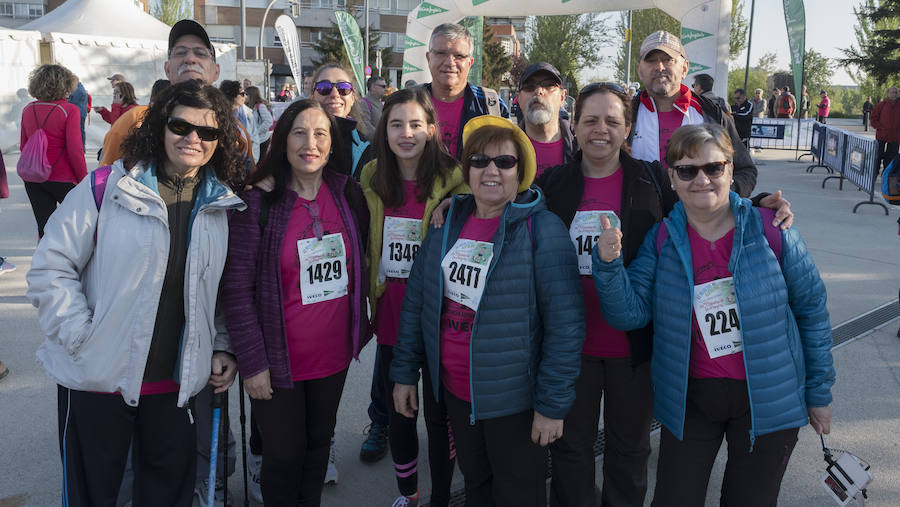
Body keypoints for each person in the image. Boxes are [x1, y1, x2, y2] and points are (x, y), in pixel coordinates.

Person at [26, 79, 246, 507]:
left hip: (174, 387)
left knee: (167, 495)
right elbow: (51, 266)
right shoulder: (106, 188)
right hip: (98, 381)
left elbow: (215, 289)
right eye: (181, 126)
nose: (193, 139)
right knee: (95, 495)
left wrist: (221, 345)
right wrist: (81, 338)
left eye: (208, 132)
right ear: (161, 125)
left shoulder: (220, 206)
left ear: (220, 140)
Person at [592, 123, 835, 507]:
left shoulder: (772, 229)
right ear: (672, 178)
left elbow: (811, 311)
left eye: (713, 168)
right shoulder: (661, 240)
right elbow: (630, 313)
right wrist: (607, 266)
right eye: (687, 171)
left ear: (730, 170)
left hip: (767, 402)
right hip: (692, 400)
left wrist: (819, 392)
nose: (701, 179)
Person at [391, 115, 584, 506]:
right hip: (458, 396)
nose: (490, 170)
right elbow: (417, 302)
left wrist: (551, 406)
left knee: (519, 495)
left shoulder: (542, 231)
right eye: (479, 161)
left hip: (516, 402)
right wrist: (404, 374)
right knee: (477, 487)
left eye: (504, 162)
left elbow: (566, 327)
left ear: (521, 172)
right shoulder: (447, 224)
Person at [222, 99, 371, 506]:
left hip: (333, 355)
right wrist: (251, 363)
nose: (311, 143)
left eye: (321, 133)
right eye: (300, 132)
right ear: (282, 139)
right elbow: (236, 290)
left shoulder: (348, 194)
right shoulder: (259, 203)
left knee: (318, 448)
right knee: (283, 458)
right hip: (277, 361)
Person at [534, 82, 677, 507]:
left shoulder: (652, 181)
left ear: (628, 128)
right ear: (573, 127)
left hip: (633, 347)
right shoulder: (553, 184)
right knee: (570, 449)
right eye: (590, 120)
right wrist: (456, 205)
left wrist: (758, 203)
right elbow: (500, 205)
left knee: (629, 452)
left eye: (612, 121)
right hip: (570, 347)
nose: (601, 129)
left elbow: (707, 205)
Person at [361, 87, 468, 507]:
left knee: (440, 417)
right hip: (391, 314)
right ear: (384, 131)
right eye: (396, 124)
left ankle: (441, 496)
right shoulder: (370, 177)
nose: (407, 133)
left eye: (416, 124)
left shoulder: (456, 180)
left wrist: (459, 204)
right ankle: (409, 494)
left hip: (440, 317)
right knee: (400, 409)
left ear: (432, 129)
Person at [629, 31, 757, 196]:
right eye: (651, 60)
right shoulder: (624, 116)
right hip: (640, 221)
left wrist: (722, 199)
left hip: (699, 221)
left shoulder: (712, 115)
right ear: (640, 70)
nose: (659, 67)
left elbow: (745, 171)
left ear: (684, 68)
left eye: (668, 60)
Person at [19, 63, 87, 238]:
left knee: (44, 228)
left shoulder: (28, 109)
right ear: (66, 85)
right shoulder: (69, 110)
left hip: (34, 177)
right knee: (76, 226)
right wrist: (83, 178)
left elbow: (23, 146)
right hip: (64, 177)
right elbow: (75, 150)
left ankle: (45, 262)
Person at [423, 23, 508, 159]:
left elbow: (506, 158)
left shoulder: (491, 106)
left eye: (459, 56)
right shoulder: (408, 102)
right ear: (428, 58)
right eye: (441, 53)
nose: (450, 62)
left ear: (470, 62)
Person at [309, 63, 375, 179]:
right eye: (324, 87)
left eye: (343, 88)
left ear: (353, 98)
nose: (335, 94)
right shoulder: (294, 140)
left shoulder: (366, 147)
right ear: (313, 96)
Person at [516, 62, 577, 177]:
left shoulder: (581, 150)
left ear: (562, 97)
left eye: (548, 85)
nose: (538, 91)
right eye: (529, 86)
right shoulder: (504, 150)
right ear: (518, 99)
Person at [99, 79, 170, 167]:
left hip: (118, 155)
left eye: (117, 92)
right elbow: (115, 124)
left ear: (124, 94)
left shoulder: (134, 110)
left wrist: (115, 106)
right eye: (114, 93)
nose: (114, 95)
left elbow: (115, 123)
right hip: (115, 156)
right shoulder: (137, 111)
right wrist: (104, 111)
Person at [220, 80, 258, 164]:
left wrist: (254, 158)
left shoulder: (248, 113)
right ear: (232, 95)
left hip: (248, 161)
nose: (245, 97)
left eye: (245, 94)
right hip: (228, 162)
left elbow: (254, 137)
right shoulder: (220, 116)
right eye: (242, 94)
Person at [870, 87, 899, 174]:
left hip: (895, 137)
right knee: (878, 156)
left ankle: (887, 175)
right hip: (881, 135)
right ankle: (874, 174)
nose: (893, 94)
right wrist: (880, 128)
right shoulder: (881, 105)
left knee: (892, 157)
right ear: (888, 94)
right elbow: (873, 119)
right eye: (892, 92)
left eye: (895, 92)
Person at [246, 85, 274, 160]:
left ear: (251, 95)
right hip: (256, 140)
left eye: (246, 95)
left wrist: (256, 132)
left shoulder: (260, 106)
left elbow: (268, 121)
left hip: (262, 140)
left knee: (260, 164)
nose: (245, 97)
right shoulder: (249, 107)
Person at [67, 81, 90, 149]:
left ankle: (81, 147)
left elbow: (72, 101)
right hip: (81, 113)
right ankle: (81, 147)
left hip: (79, 114)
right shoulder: (80, 88)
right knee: (80, 130)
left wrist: (64, 100)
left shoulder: (78, 90)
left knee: (79, 131)